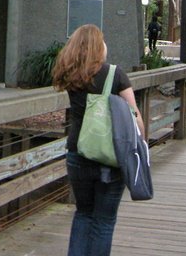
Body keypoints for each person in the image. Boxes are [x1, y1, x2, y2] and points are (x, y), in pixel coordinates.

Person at [52, 24, 145, 256]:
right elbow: (136, 118)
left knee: (83, 213)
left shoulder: (71, 76)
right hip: (110, 156)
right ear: (98, 46)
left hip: (78, 152)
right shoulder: (115, 74)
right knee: (104, 220)